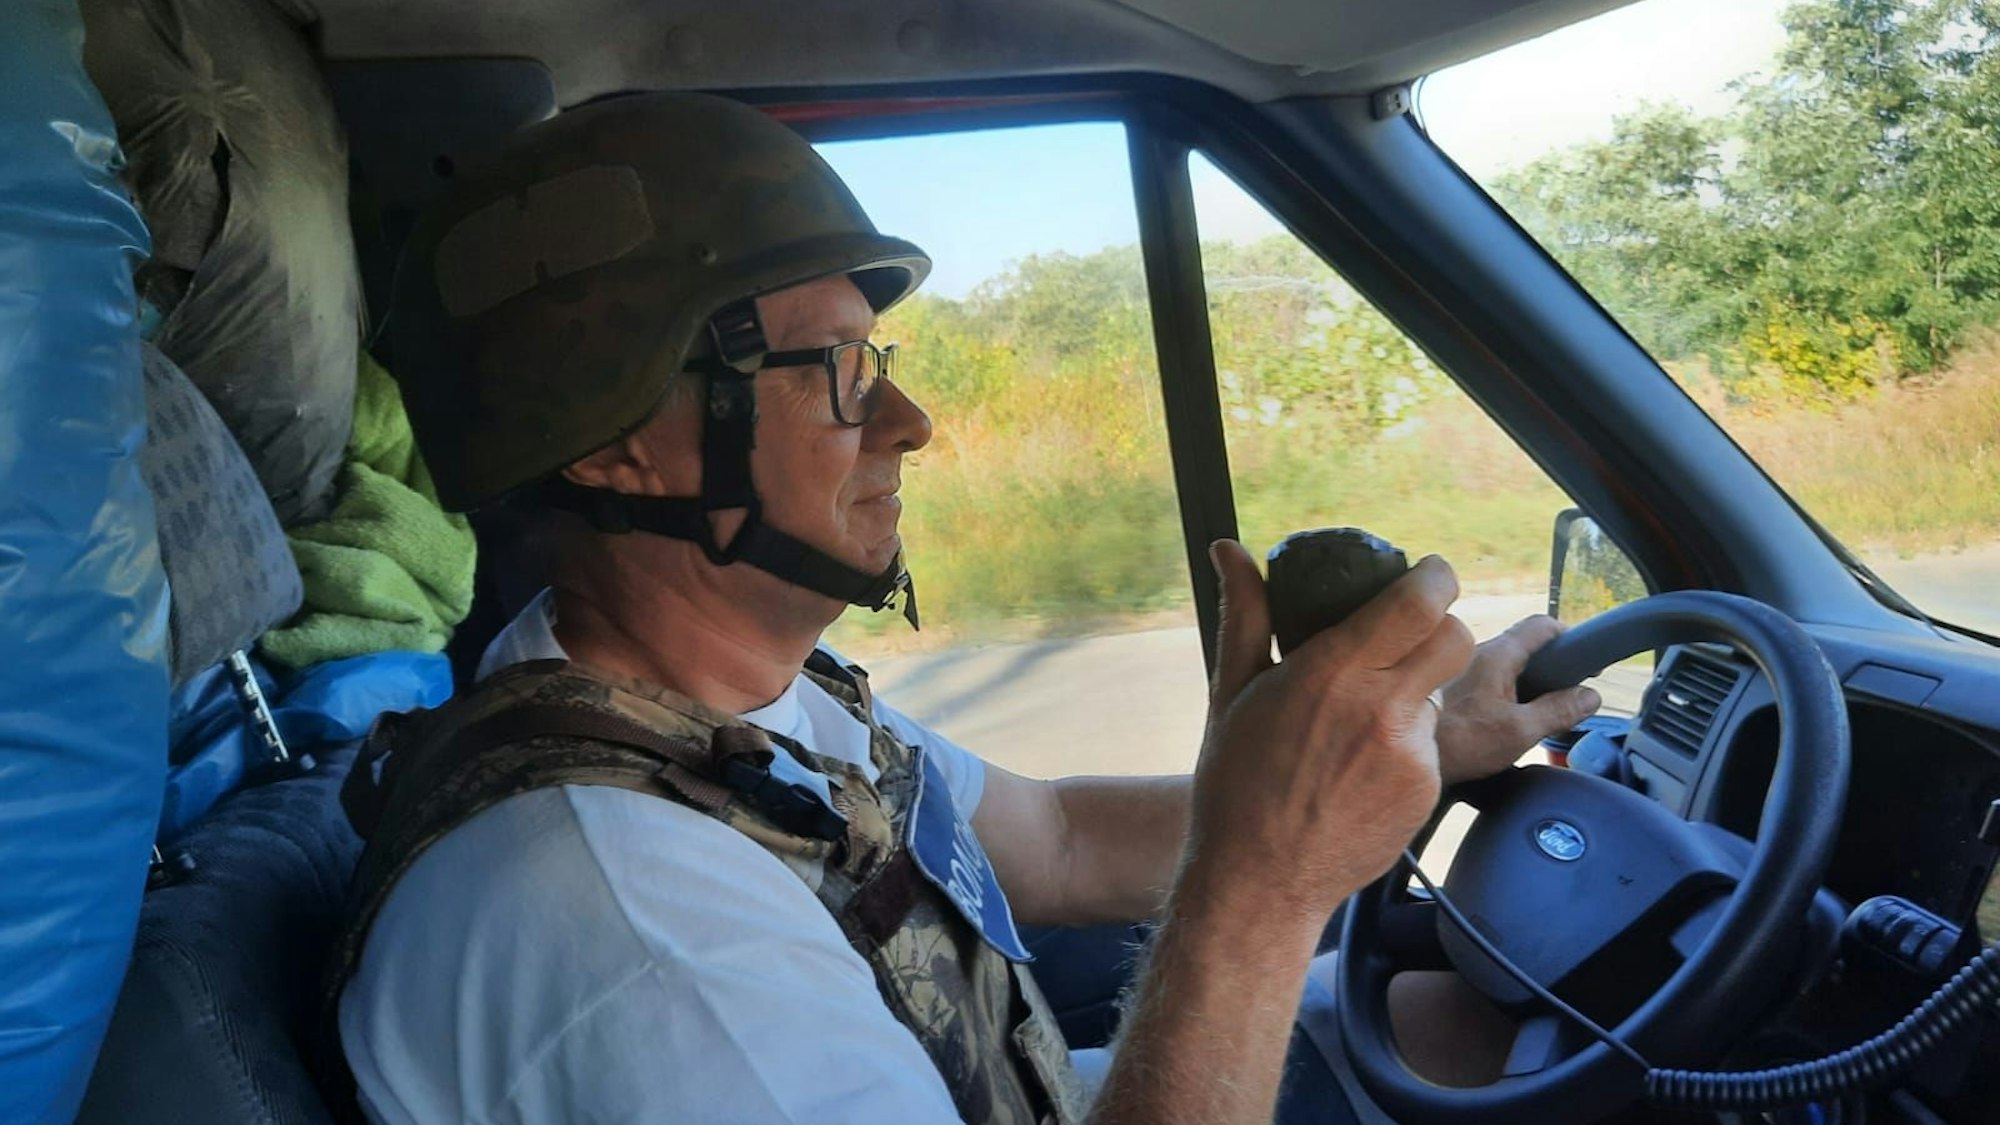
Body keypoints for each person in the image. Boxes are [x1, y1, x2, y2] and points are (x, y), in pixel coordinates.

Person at [325, 91, 1602, 1125]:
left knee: (1465, 1032)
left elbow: (1049, 841)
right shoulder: (628, 922)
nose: (906, 424)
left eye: (874, 362)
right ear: (614, 446)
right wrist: (1261, 889)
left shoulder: (733, 712)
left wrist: (1419, 752)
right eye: (830, 371)